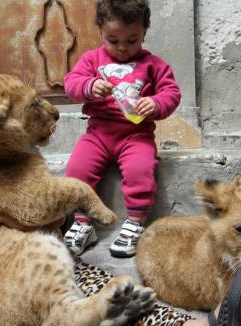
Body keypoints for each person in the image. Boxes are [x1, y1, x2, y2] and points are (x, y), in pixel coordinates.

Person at [0, 62, 241, 326]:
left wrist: (54, 214)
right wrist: (0, 216)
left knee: (112, 292)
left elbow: (47, 202)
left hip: (42, 256)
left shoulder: (14, 151)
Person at [63, 0, 181, 258]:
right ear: (100, 32)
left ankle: (135, 223)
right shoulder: (91, 59)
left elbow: (171, 92)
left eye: (132, 40)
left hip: (136, 135)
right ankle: (83, 224)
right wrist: (88, 86)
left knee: (141, 171)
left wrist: (155, 102)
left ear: (144, 33)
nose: (123, 48)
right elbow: (71, 84)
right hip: (98, 134)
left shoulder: (153, 64)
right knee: (76, 170)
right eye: (113, 40)